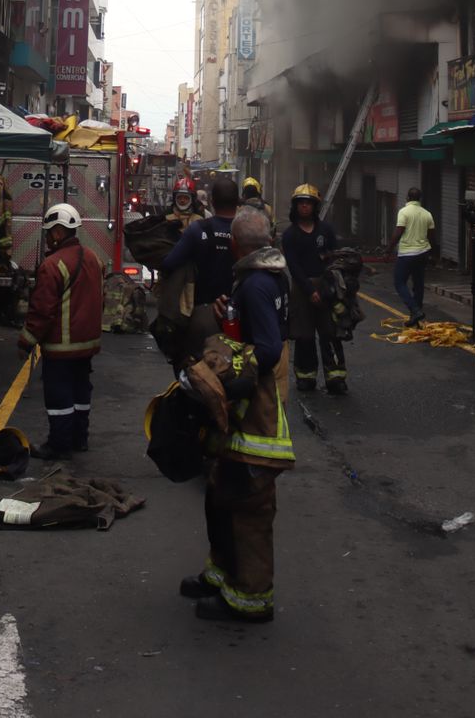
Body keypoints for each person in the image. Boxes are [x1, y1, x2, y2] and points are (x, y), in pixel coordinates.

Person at [181, 204, 294, 625]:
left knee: (249, 502)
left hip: (255, 410)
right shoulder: (270, 276)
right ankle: (220, 575)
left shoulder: (257, 286)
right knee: (220, 491)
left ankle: (249, 599)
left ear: (234, 244)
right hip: (252, 405)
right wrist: (230, 317)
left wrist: (226, 368)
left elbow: (264, 349)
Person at [18, 203, 104, 459]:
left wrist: (26, 341)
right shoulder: (94, 258)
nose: (47, 238)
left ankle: (59, 444)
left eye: (48, 233)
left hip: (61, 347)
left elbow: (42, 311)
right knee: (80, 391)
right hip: (87, 344)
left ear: (57, 232)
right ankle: (80, 438)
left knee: (59, 395)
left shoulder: (52, 265)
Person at [159, 175, 240, 358]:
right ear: (237, 201)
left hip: (203, 313)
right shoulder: (249, 229)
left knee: (199, 371)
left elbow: (169, 263)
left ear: (211, 201)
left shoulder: (197, 229)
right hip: (241, 315)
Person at [281, 183, 347, 395]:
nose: (305, 207)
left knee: (330, 333)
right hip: (302, 290)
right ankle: (305, 376)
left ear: (315, 206)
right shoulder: (290, 235)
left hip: (326, 287)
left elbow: (335, 259)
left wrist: (330, 288)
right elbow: (294, 266)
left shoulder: (326, 230)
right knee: (304, 336)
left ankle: (335, 377)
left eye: (308, 203)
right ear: (295, 206)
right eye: (301, 203)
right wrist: (310, 291)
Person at [388, 185, 436, 327]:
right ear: (420, 199)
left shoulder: (404, 212)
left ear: (407, 198)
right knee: (418, 284)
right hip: (423, 253)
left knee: (399, 282)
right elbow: (432, 236)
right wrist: (433, 254)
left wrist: (388, 249)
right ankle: (417, 318)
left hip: (407, 254)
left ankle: (415, 310)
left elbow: (398, 231)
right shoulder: (427, 214)